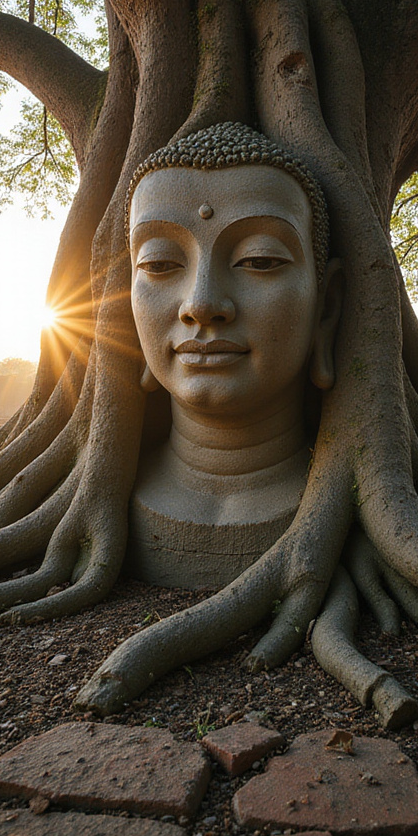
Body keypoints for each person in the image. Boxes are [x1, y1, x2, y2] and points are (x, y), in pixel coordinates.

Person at [125, 122, 342, 587]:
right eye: (159, 263)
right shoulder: (107, 499)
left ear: (325, 307)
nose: (202, 304)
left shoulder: (355, 500)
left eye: (259, 260)